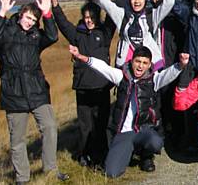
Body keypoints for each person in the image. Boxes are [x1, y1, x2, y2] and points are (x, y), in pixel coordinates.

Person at [69, 44, 188, 177]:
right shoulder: (121, 76)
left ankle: (145, 155)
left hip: (143, 130)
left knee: (156, 142)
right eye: (137, 61)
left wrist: (181, 65)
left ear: (149, 65)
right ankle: (127, 151)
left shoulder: (154, 80)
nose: (140, 66)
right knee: (111, 172)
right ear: (131, 61)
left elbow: (168, 74)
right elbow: (103, 68)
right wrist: (80, 56)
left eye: (144, 63)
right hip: (123, 132)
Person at [0, 0, 69, 183]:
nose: (29, 22)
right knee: (17, 141)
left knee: (49, 127)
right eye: (27, 17)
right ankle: (22, 178)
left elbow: (52, 36)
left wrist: (47, 14)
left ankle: (50, 170)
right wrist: (2, 12)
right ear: (20, 15)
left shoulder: (36, 35)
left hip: (37, 91)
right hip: (13, 92)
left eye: (33, 19)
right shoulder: (7, 30)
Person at [51, 0, 115, 168]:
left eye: (92, 17)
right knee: (85, 125)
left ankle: (102, 156)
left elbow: (113, 16)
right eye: (86, 17)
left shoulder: (105, 32)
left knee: (101, 124)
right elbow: (63, 24)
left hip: (101, 87)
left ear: (97, 17)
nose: (88, 20)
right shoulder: (77, 34)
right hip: (83, 87)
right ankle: (85, 155)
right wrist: (55, 5)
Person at [98, 0, 176, 68]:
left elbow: (169, 2)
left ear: (145, 1)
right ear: (129, 0)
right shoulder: (122, 15)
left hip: (150, 63)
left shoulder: (151, 15)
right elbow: (104, 1)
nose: (137, 1)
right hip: (126, 63)